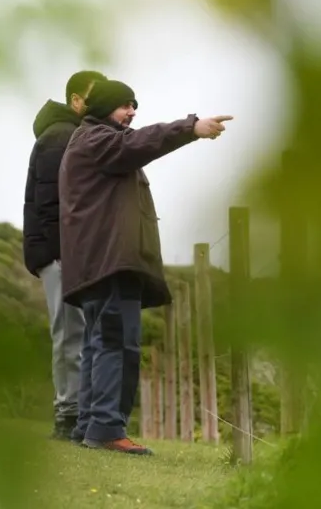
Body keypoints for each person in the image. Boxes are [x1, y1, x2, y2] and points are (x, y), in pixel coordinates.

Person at [58, 79, 232, 455]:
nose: (133, 112)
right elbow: (139, 143)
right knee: (118, 343)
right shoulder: (98, 140)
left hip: (99, 263)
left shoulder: (92, 143)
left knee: (100, 343)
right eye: (125, 105)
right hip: (109, 262)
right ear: (103, 107)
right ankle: (105, 428)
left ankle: (90, 425)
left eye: (135, 105)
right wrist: (191, 127)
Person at [22, 69, 107, 441]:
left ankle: (76, 413)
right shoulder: (61, 137)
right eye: (94, 96)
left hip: (72, 251)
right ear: (75, 100)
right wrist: (63, 255)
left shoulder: (73, 135)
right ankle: (67, 416)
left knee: (77, 332)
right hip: (62, 253)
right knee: (70, 332)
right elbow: (51, 203)